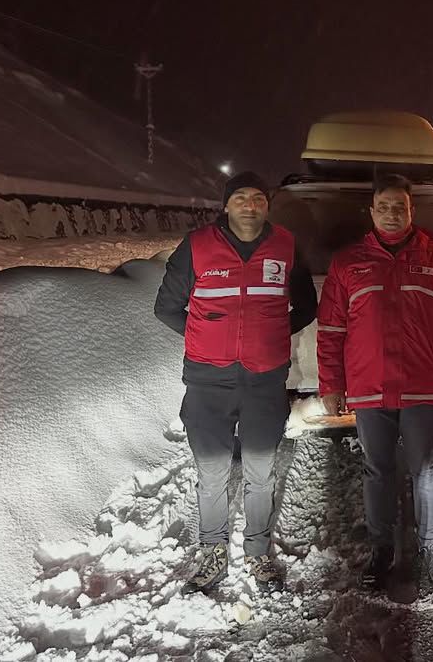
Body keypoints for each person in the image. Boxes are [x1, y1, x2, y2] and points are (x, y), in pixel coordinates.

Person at [154, 170, 317, 592]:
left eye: (258, 198)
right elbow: (166, 307)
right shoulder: (197, 246)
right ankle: (212, 551)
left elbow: (306, 307)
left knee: (261, 471)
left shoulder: (286, 246)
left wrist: (273, 335)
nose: (250, 205)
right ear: (226, 205)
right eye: (240, 197)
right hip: (208, 382)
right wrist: (205, 337)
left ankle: (258, 552)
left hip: (265, 381)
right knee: (212, 471)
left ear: (267, 205)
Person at [317, 174, 433, 590]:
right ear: (371, 212)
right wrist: (332, 384)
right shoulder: (348, 263)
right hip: (370, 387)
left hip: (421, 384)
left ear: (411, 210)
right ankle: (381, 548)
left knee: (426, 469)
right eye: (383, 207)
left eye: (399, 206)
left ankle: (431, 547)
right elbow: (331, 330)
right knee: (377, 470)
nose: (391, 214)